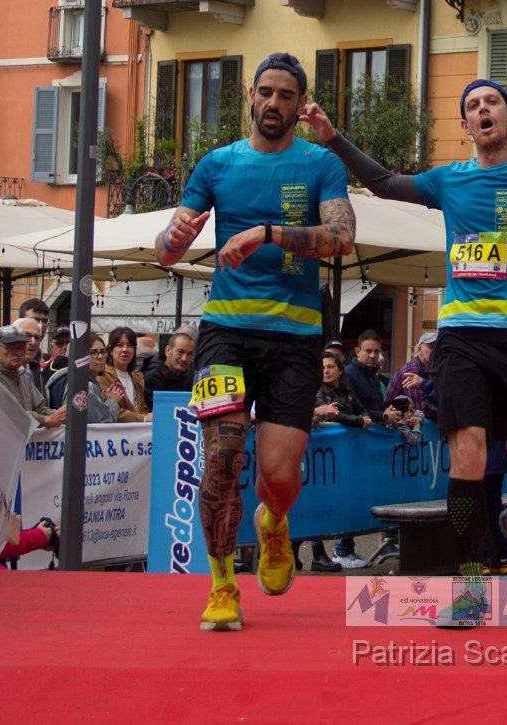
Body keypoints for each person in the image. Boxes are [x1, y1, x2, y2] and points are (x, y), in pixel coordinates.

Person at [304, 77, 507, 594]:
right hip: (460, 336)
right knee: (469, 457)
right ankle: (469, 581)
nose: (483, 110)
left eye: (491, 102)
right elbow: (385, 183)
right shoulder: (449, 180)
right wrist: (332, 137)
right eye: (473, 106)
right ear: (466, 125)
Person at [154, 52, 355, 633]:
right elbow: (166, 252)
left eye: (285, 95)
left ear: (300, 103)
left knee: (279, 480)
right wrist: (174, 234)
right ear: (250, 94)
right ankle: (222, 584)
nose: (273, 103)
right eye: (265, 92)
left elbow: (342, 237)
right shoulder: (217, 164)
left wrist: (265, 234)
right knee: (220, 459)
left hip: (296, 338)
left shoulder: (320, 164)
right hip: (224, 332)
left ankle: (273, 523)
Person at [309, 351, 369, 570]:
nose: (326, 371)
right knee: (318, 501)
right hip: (321, 458)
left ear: (340, 371)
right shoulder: (318, 393)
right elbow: (333, 416)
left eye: (330, 367)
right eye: (323, 367)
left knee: (345, 499)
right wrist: (358, 421)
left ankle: (341, 549)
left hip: (344, 457)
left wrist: (365, 418)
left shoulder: (345, 392)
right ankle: (319, 553)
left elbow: (361, 409)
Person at [0, 325, 66, 428]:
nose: (18, 353)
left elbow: (41, 409)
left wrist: (63, 415)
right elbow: (10, 413)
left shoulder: (22, 376)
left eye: (22, 347)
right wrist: (47, 420)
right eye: (11, 348)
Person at [45, 336, 119, 423]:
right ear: (79, 356)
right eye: (93, 352)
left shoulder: (60, 377)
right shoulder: (85, 387)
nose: (100, 357)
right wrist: (112, 401)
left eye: (103, 352)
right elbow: (103, 424)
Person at [385, 332, 436, 443]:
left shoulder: (431, 369)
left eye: (437, 347)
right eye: (430, 347)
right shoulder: (412, 370)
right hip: (396, 428)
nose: (434, 350)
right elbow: (423, 409)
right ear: (419, 350)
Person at [343, 330, 401, 425]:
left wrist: (389, 410)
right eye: (368, 351)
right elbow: (351, 410)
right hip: (359, 432)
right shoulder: (348, 374)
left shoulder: (373, 374)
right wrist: (383, 415)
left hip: (376, 430)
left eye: (376, 351)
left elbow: (378, 405)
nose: (373, 355)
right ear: (357, 351)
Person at [101, 327, 150, 422]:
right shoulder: (103, 375)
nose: (125, 349)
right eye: (119, 345)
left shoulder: (137, 378)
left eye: (130, 345)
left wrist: (147, 416)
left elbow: (143, 408)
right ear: (110, 350)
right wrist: (142, 418)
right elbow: (108, 410)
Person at [142, 328, 196, 412]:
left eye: (189, 354)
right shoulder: (151, 377)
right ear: (167, 351)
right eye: (180, 352)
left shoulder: (192, 377)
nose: (184, 358)